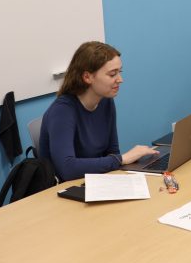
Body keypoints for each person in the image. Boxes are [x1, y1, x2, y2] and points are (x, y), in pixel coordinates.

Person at [39, 41, 158, 181]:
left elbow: (112, 153)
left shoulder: (105, 100)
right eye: (112, 74)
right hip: (63, 189)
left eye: (120, 72)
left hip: (95, 181)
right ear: (87, 77)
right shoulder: (62, 111)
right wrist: (122, 159)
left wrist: (119, 160)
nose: (120, 80)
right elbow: (67, 169)